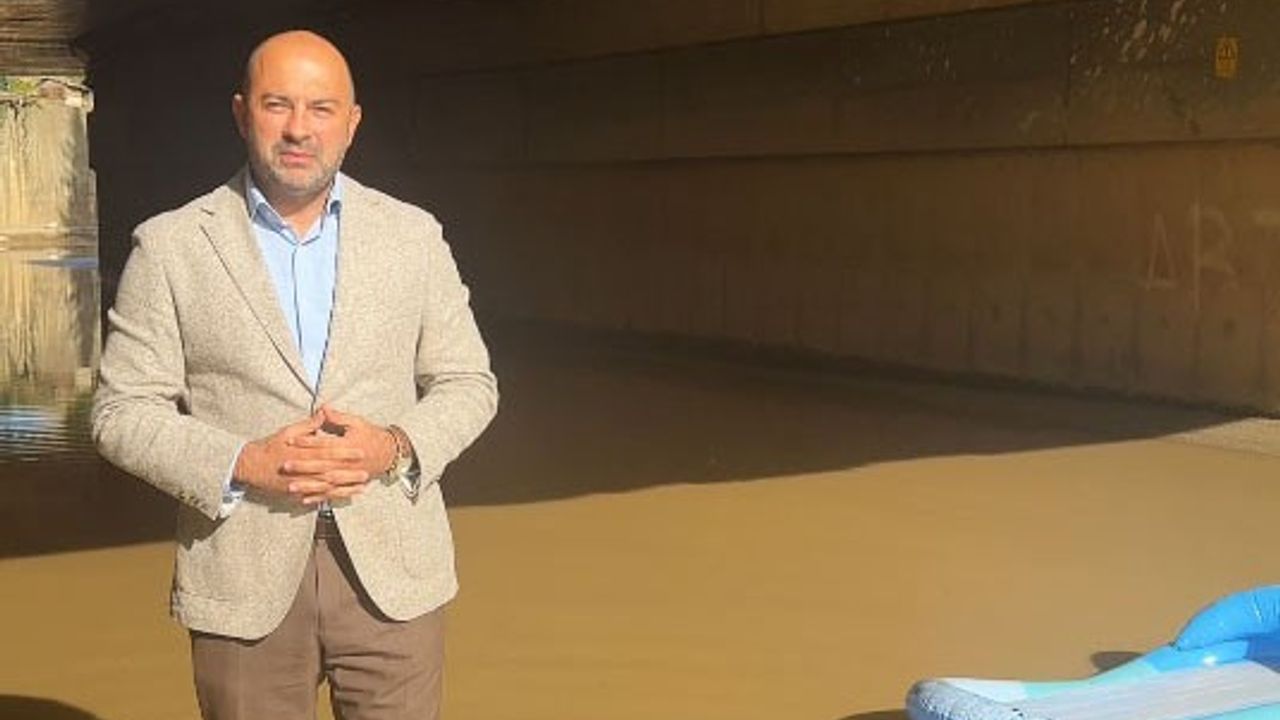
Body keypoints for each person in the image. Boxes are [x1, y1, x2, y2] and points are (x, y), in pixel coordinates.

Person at [92, 29, 498, 720]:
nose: (299, 129)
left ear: (352, 123)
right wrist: (243, 462)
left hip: (395, 580)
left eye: (321, 108)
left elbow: (469, 383)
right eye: (278, 105)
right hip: (242, 578)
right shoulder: (170, 247)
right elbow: (120, 412)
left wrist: (393, 446)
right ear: (241, 112)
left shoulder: (414, 237)